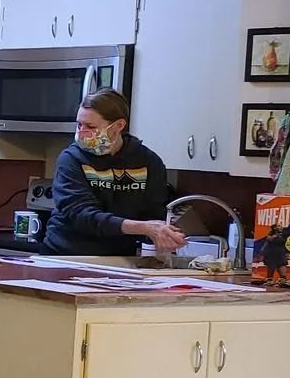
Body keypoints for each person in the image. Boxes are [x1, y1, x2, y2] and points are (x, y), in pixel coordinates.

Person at [42, 89, 186, 258]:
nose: (81, 132)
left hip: (120, 257)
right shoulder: (71, 159)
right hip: (65, 255)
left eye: (90, 126)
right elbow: (81, 215)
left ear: (118, 126)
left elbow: (154, 213)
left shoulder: (149, 162)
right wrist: (143, 227)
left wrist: (165, 234)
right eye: (79, 124)